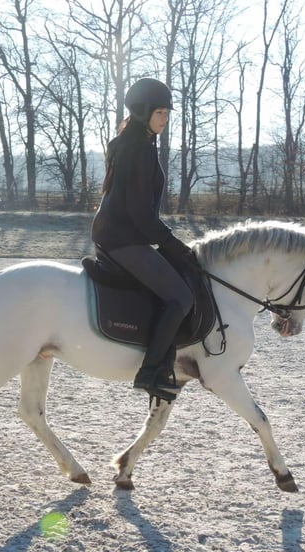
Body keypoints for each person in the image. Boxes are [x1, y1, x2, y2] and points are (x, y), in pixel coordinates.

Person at [91, 77, 195, 400]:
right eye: (160, 112)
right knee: (181, 296)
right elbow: (140, 213)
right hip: (123, 239)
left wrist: (166, 242)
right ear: (144, 112)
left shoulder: (134, 142)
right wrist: (174, 245)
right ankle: (150, 371)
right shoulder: (140, 149)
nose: (165, 119)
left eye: (167, 114)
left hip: (121, 234)